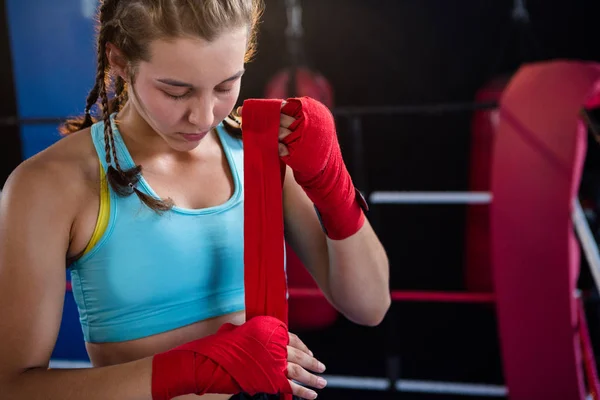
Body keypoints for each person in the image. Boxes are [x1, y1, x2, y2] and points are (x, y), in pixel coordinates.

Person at [0, 0, 391, 399]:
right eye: (176, 91)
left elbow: (370, 306)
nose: (204, 117)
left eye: (225, 86)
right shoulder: (51, 184)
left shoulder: (257, 151)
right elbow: (11, 387)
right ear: (117, 59)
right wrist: (190, 369)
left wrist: (333, 185)